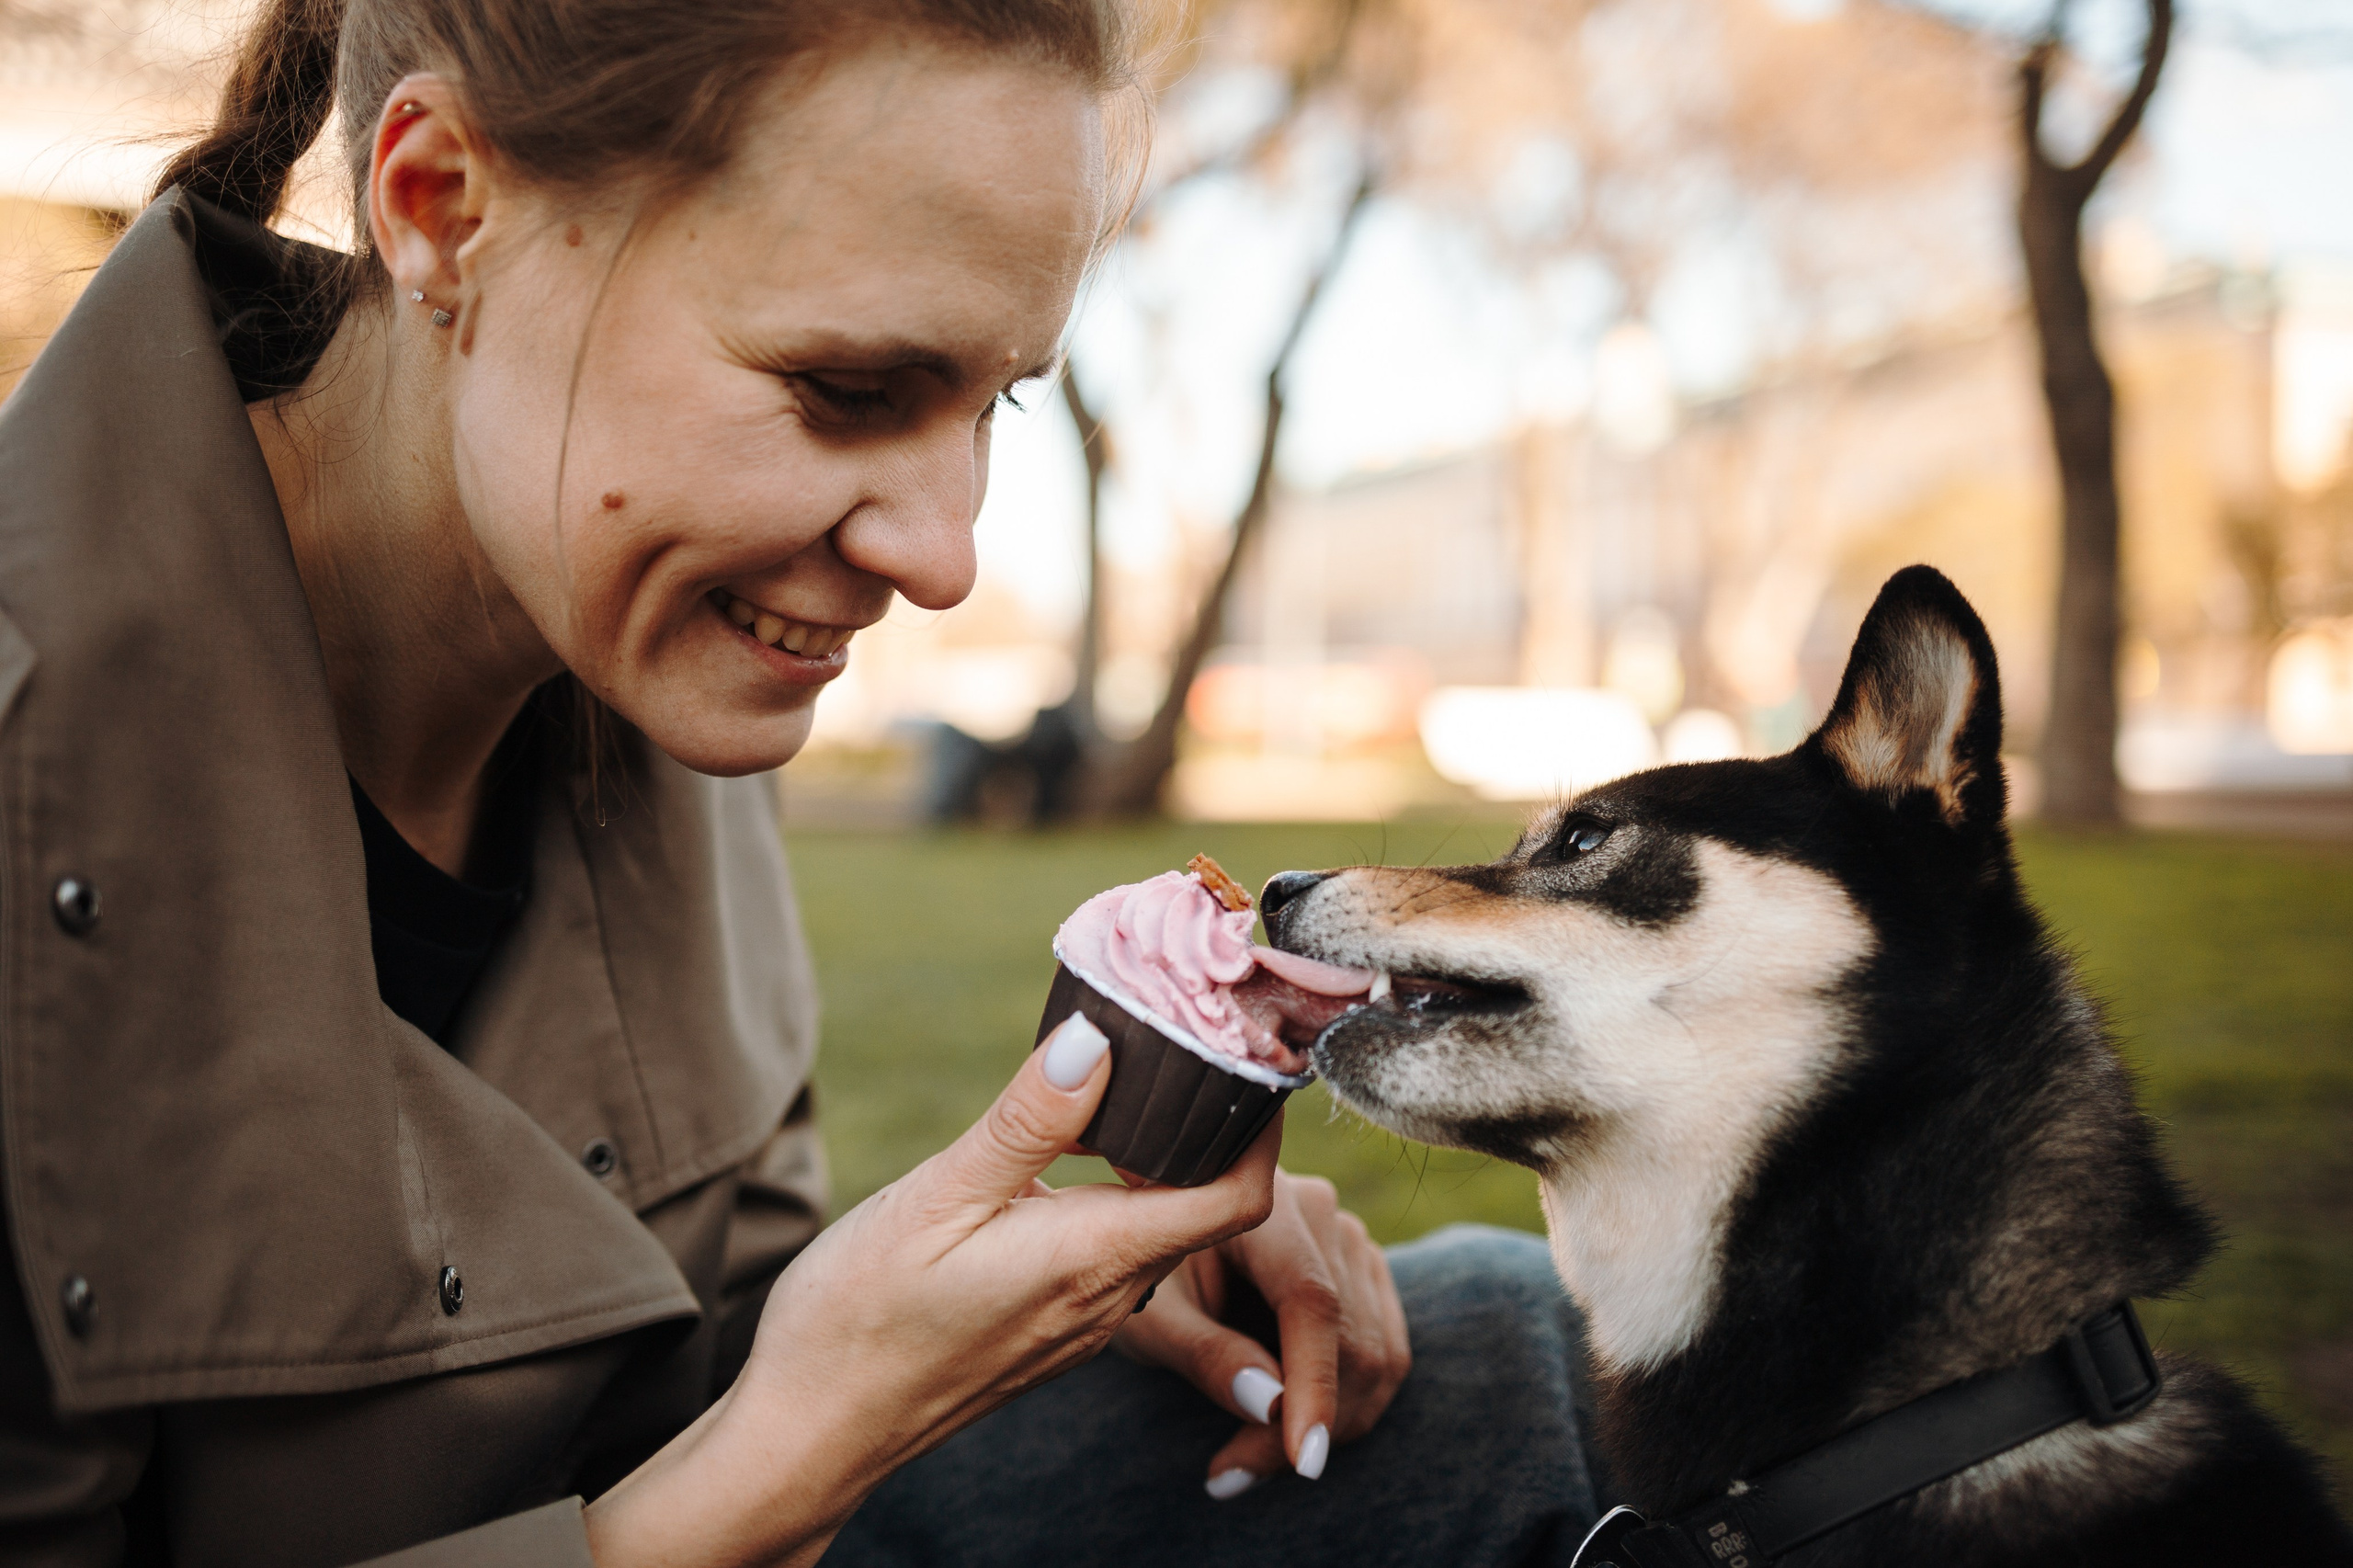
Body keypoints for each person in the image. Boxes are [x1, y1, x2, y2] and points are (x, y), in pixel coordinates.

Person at [0, 1, 1608, 1563]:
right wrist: (774, 1464)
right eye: (846, 391)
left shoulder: (641, 625)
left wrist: (1012, 1285)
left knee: (1528, 1370)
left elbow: (714, 1323)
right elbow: (748, 1443)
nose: (945, 554)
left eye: (996, 403)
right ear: (441, 207)